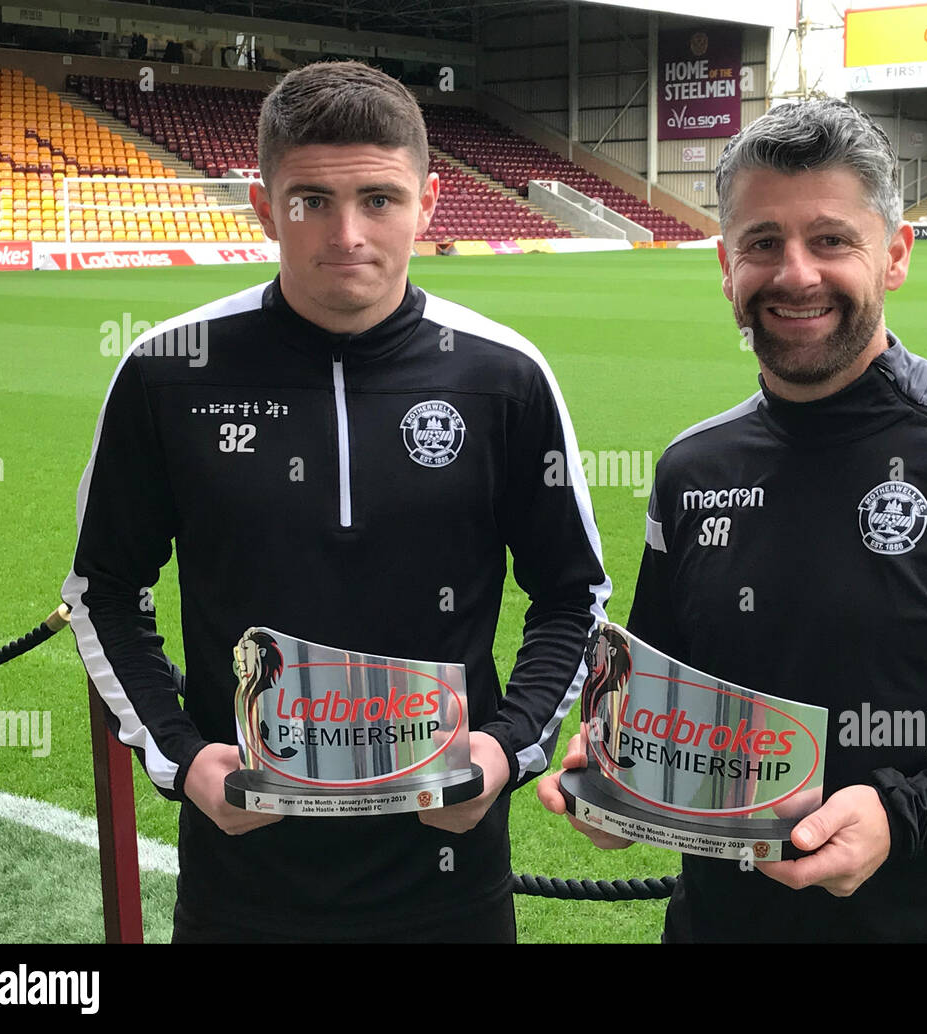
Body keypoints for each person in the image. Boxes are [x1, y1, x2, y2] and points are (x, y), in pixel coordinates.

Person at [538, 98, 927, 943]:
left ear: (896, 255)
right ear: (726, 264)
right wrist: (622, 784)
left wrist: (902, 819)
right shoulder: (692, 471)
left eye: (831, 240)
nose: (795, 273)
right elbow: (661, 703)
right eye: (763, 242)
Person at [63, 61, 609, 942]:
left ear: (429, 203)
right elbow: (102, 591)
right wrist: (184, 759)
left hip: (447, 870)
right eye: (311, 200)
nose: (347, 233)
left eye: (380, 200)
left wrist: (503, 748)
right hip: (244, 870)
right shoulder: (169, 372)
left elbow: (571, 594)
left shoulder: (503, 376)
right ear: (261, 203)